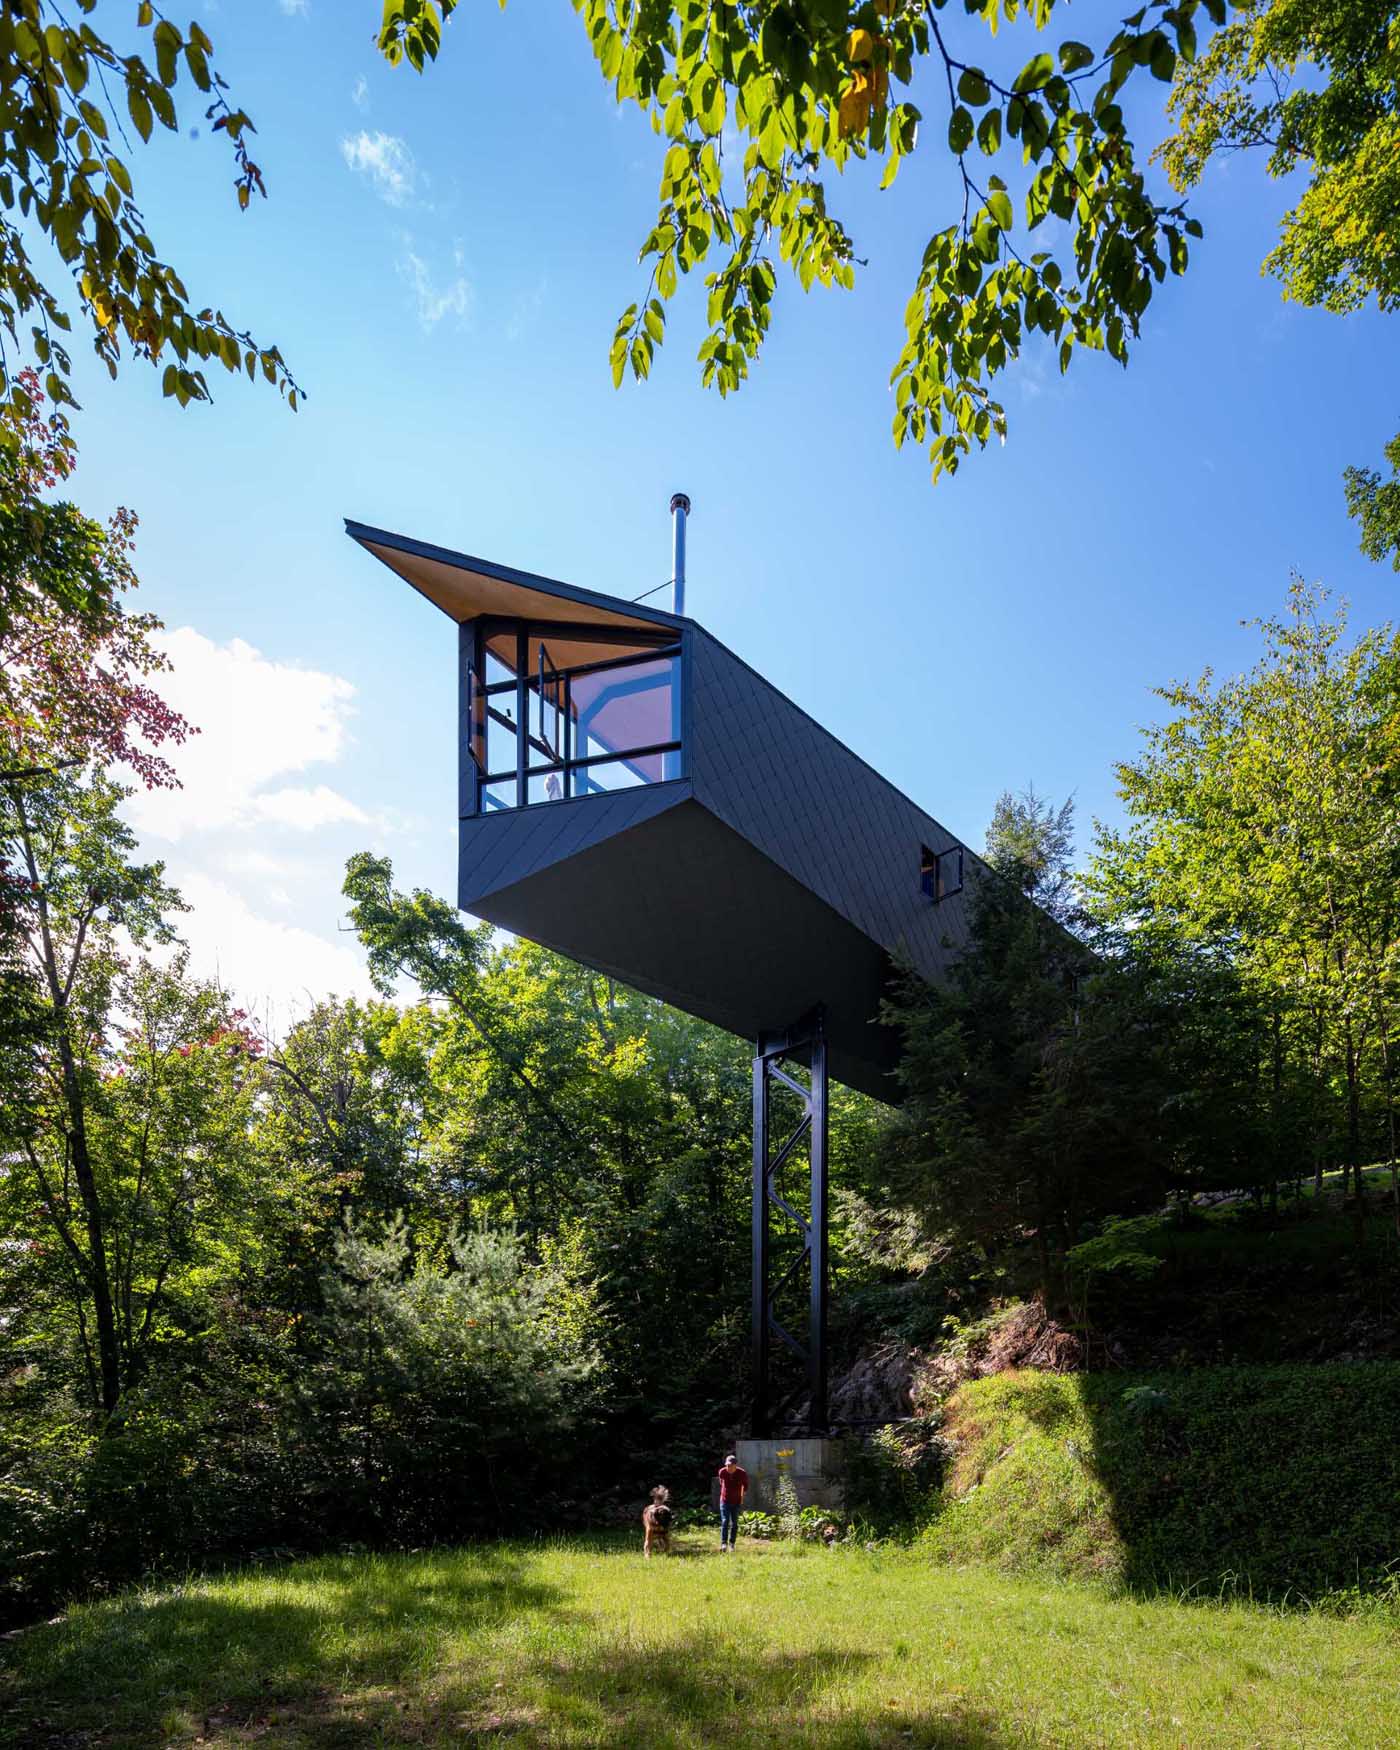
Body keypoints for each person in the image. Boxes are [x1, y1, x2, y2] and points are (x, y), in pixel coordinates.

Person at [716, 1452, 748, 1552]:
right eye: (727, 1465)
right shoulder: (722, 1472)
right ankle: (723, 1544)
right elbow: (721, 1483)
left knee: (735, 1523)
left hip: (736, 1502)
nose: (728, 1467)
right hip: (724, 1500)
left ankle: (732, 1544)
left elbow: (745, 1486)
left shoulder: (742, 1473)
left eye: (730, 1465)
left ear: (735, 1465)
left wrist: (741, 1496)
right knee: (725, 1521)